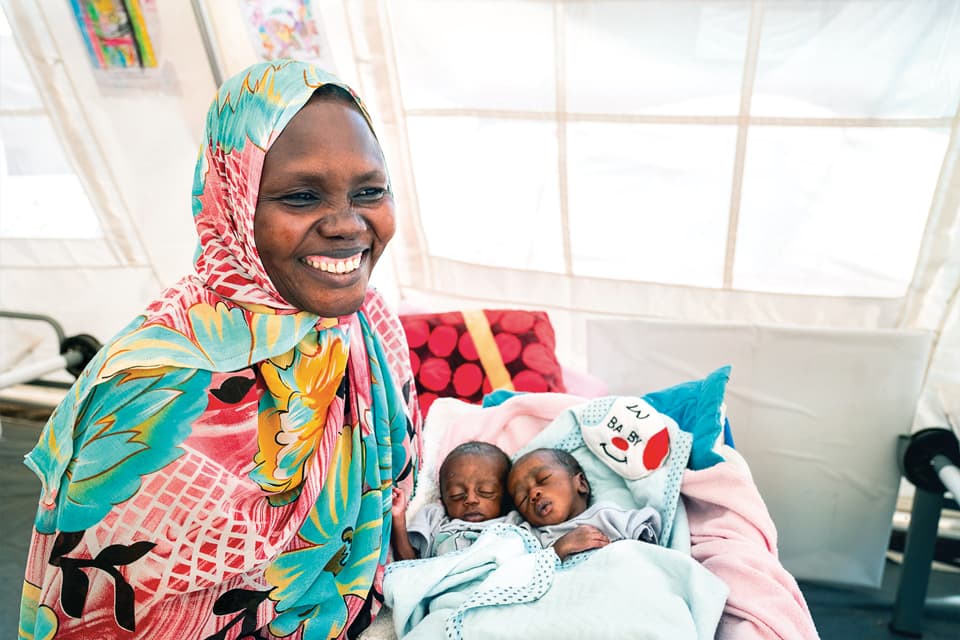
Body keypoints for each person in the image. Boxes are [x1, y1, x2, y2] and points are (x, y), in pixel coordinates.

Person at [18, 60, 421, 640]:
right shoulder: (145, 390)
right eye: (302, 196)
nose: (346, 224)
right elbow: (110, 614)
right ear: (232, 201)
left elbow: (391, 494)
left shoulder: (363, 320)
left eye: (370, 191)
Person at [507, 448, 660, 561]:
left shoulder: (605, 515)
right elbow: (523, 569)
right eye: (523, 498)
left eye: (544, 479)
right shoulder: (532, 537)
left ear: (581, 484)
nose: (533, 494)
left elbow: (646, 531)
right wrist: (557, 550)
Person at [391, 441, 516, 560]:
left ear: (506, 495)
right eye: (456, 495)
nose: (471, 500)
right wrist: (398, 519)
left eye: (486, 491)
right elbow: (408, 564)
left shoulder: (513, 523)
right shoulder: (435, 519)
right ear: (443, 500)